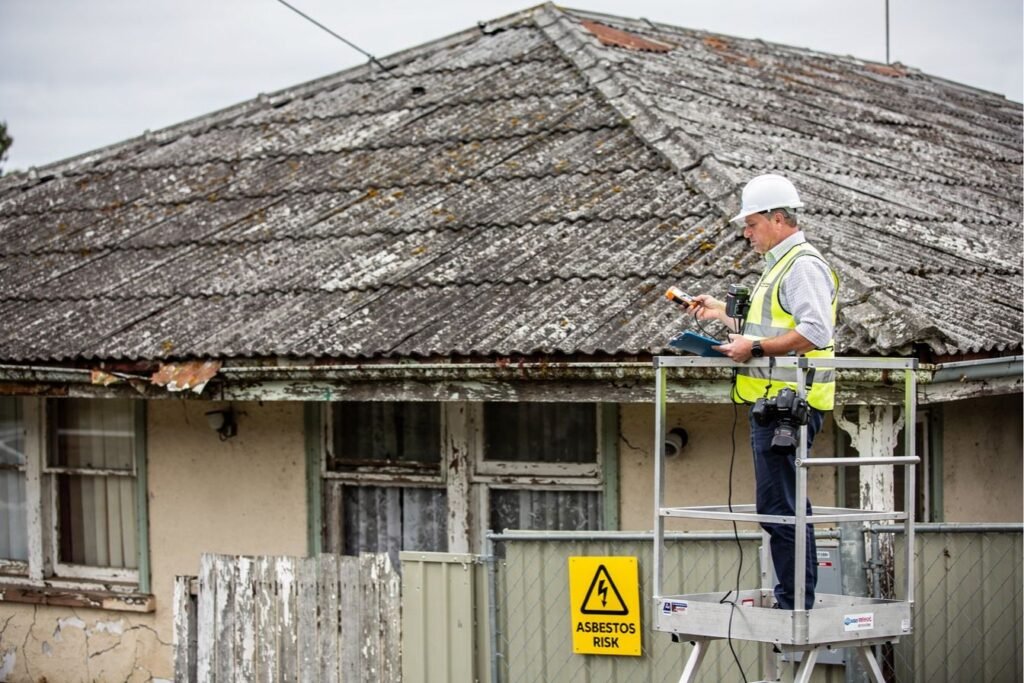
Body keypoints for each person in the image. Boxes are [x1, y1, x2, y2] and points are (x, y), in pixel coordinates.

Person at [690, 173, 838, 611]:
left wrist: (752, 346)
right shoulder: (780, 267)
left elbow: (813, 331)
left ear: (778, 219)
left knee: (781, 507)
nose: (745, 232)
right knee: (780, 505)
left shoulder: (802, 266)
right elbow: (769, 330)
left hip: (788, 409)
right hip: (773, 407)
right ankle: (793, 598)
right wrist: (721, 316)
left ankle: (795, 602)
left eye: (751, 223)